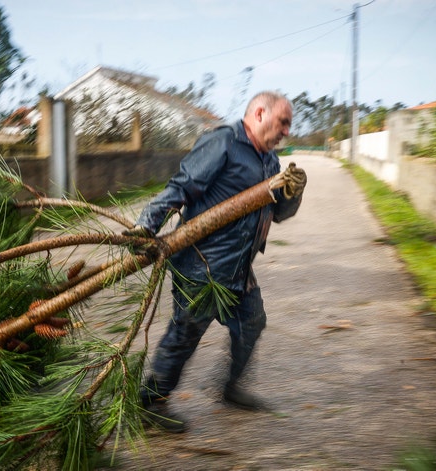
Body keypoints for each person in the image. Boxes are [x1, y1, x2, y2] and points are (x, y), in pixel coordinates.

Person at [126, 91, 306, 433]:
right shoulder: (223, 142)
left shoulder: (269, 160)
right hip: (202, 265)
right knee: (185, 334)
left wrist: (293, 194)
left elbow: (278, 213)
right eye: (283, 122)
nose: (286, 131)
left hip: (239, 267)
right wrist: (146, 224)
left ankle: (231, 388)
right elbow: (182, 186)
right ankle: (151, 402)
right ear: (259, 113)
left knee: (252, 321)